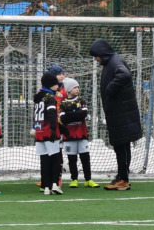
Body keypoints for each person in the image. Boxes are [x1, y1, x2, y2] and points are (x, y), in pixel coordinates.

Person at [89, 39, 142, 190]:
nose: (96, 59)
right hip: (119, 113)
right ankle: (121, 176)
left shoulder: (115, 61)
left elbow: (124, 74)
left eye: (96, 55)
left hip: (122, 114)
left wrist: (110, 88)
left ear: (102, 53)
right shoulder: (112, 61)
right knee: (121, 146)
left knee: (122, 146)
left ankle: (123, 179)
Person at [59, 78, 99, 188]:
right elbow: (63, 119)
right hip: (69, 135)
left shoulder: (81, 100)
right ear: (68, 89)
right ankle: (74, 179)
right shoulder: (63, 103)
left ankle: (88, 179)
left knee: (85, 157)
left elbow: (83, 114)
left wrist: (70, 114)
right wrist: (76, 113)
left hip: (82, 134)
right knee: (72, 159)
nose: (77, 89)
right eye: (74, 87)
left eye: (78, 87)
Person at [33, 71, 63, 195]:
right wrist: (53, 130)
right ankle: (55, 184)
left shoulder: (38, 97)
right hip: (49, 131)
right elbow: (51, 114)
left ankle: (45, 186)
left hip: (39, 132)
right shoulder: (50, 97)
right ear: (51, 85)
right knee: (55, 158)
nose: (58, 86)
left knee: (44, 160)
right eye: (56, 84)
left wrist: (34, 127)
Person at [47, 64, 67, 188]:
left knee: (58, 151)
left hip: (59, 124)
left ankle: (58, 177)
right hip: (47, 124)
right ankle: (47, 177)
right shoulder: (45, 91)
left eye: (62, 74)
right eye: (59, 74)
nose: (62, 76)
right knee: (47, 151)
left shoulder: (64, 90)